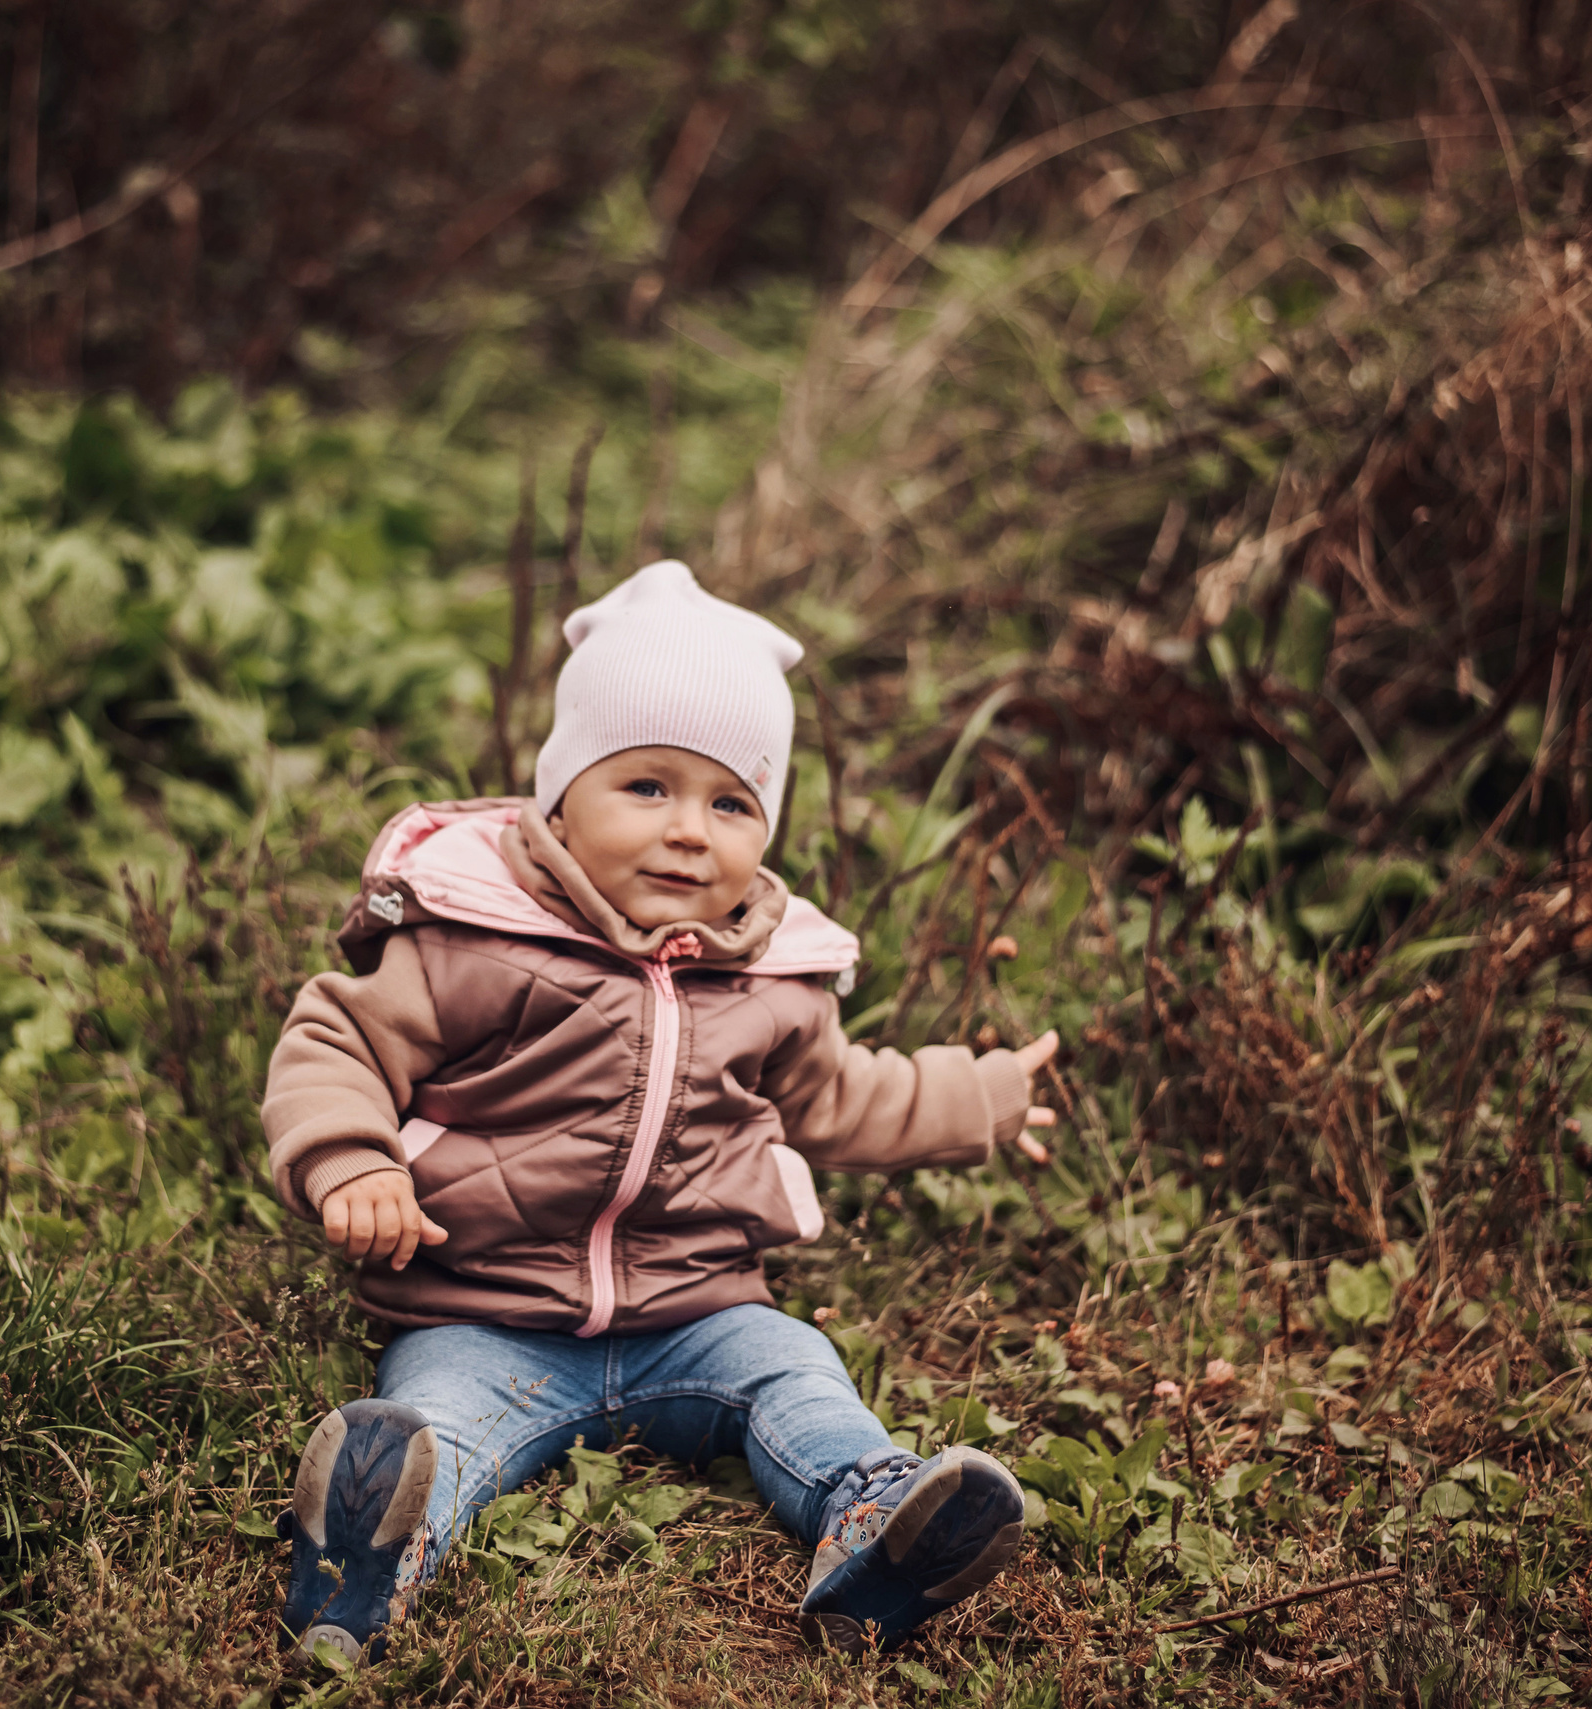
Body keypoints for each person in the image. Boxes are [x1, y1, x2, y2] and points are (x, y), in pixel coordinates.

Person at [258, 560, 1061, 1664]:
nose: (690, 830)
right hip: (481, 1310)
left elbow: (841, 1096)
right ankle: (367, 1557)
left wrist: (976, 1096)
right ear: (560, 795)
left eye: (731, 803)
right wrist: (353, 1160)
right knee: (439, 1421)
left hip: (700, 1309)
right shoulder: (476, 940)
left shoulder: (772, 978)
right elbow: (336, 1039)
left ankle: (873, 1517)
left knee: (795, 1370)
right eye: (646, 786)